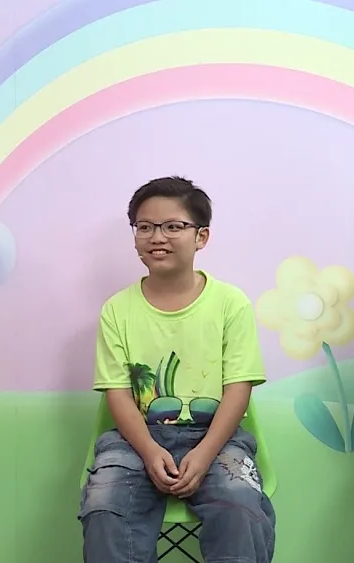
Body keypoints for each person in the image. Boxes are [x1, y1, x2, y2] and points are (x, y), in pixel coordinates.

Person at [78, 177, 276, 563]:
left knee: (240, 505)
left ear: (201, 237)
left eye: (173, 226)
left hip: (217, 439)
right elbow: (117, 394)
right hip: (135, 440)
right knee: (104, 505)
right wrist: (150, 450)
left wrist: (203, 454)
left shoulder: (230, 304)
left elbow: (239, 389)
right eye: (145, 227)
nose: (157, 237)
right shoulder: (117, 310)